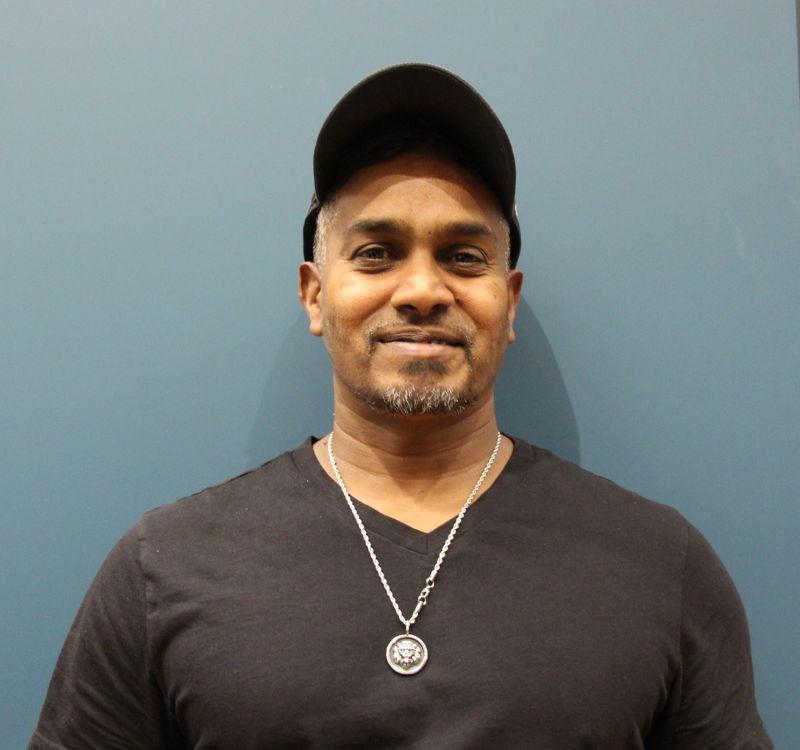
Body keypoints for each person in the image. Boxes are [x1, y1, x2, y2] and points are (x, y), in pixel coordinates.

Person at [29, 63, 772, 749]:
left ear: (507, 303)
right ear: (316, 294)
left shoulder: (657, 565)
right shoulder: (164, 567)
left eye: (463, 256)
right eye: (377, 253)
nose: (422, 290)